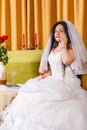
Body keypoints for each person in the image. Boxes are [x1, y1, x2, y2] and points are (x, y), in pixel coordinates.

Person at [0, 20, 87, 130]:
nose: (58, 33)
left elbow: (66, 61)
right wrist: (46, 75)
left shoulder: (71, 47)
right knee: (30, 93)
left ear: (67, 33)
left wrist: (63, 45)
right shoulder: (53, 48)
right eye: (56, 31)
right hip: (53, 80)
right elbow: (53, 68)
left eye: (61, 31)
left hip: (67, 83)